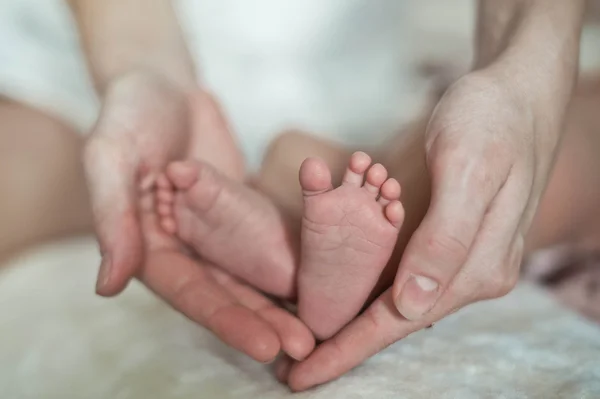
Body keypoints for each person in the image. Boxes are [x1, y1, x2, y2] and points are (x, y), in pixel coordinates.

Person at [1, 0, 598, 391]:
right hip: (94, 76)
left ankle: (303, 224)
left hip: (331, 86)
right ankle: (333, 225)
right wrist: (138, 65)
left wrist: (525, 73)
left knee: (523, 146)